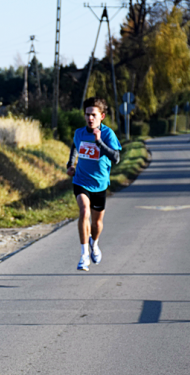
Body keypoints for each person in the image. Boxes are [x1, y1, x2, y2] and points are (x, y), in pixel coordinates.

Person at [66, 97, 122, 271]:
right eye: (87, 114)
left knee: (97, 224)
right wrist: (71, 164)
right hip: (81, 180)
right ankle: (84, 256)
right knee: (84, 211)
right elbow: (74, 147)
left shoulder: (107, 134)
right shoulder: (79, 133)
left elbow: (116, 158)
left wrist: (99, 142)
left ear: (102, 116)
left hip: (100, 184)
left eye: (94, 115)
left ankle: (94, 243)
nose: (90, 118)